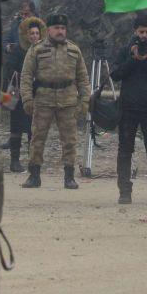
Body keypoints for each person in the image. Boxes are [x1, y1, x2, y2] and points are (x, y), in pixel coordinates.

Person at [20, 13, 90, 189]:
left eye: (63, 28)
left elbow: (83, 78)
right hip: (43, 99)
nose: (60, 31)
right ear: (49, 30)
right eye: (57, 28)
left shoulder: (74, 50)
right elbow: (26, 76)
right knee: (37, 138)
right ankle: (34, 175)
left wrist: (84, 101)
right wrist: (27, 99)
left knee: (70, 140)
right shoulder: (36, 50)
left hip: (67, 100)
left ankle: (69, 176)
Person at [110, 14, 147, 205]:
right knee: (125, 150)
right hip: (129, 107)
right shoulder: (126, 50)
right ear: (135, 31)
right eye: (141, 32)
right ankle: (124, 191)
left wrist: (145, 60)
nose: (144, 35)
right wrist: (133, 59)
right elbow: (116, 74)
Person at [3, 16, 45, 172]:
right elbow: (9, 69)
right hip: (18, 94)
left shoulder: (43, 51)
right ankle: (14, 161)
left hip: (36, 94)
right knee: (16, 127)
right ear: (27, 35)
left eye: (36, 33)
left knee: (33, 128)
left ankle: (32, 161)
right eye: (31, 33)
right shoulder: (18, 50)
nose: (34, 36)